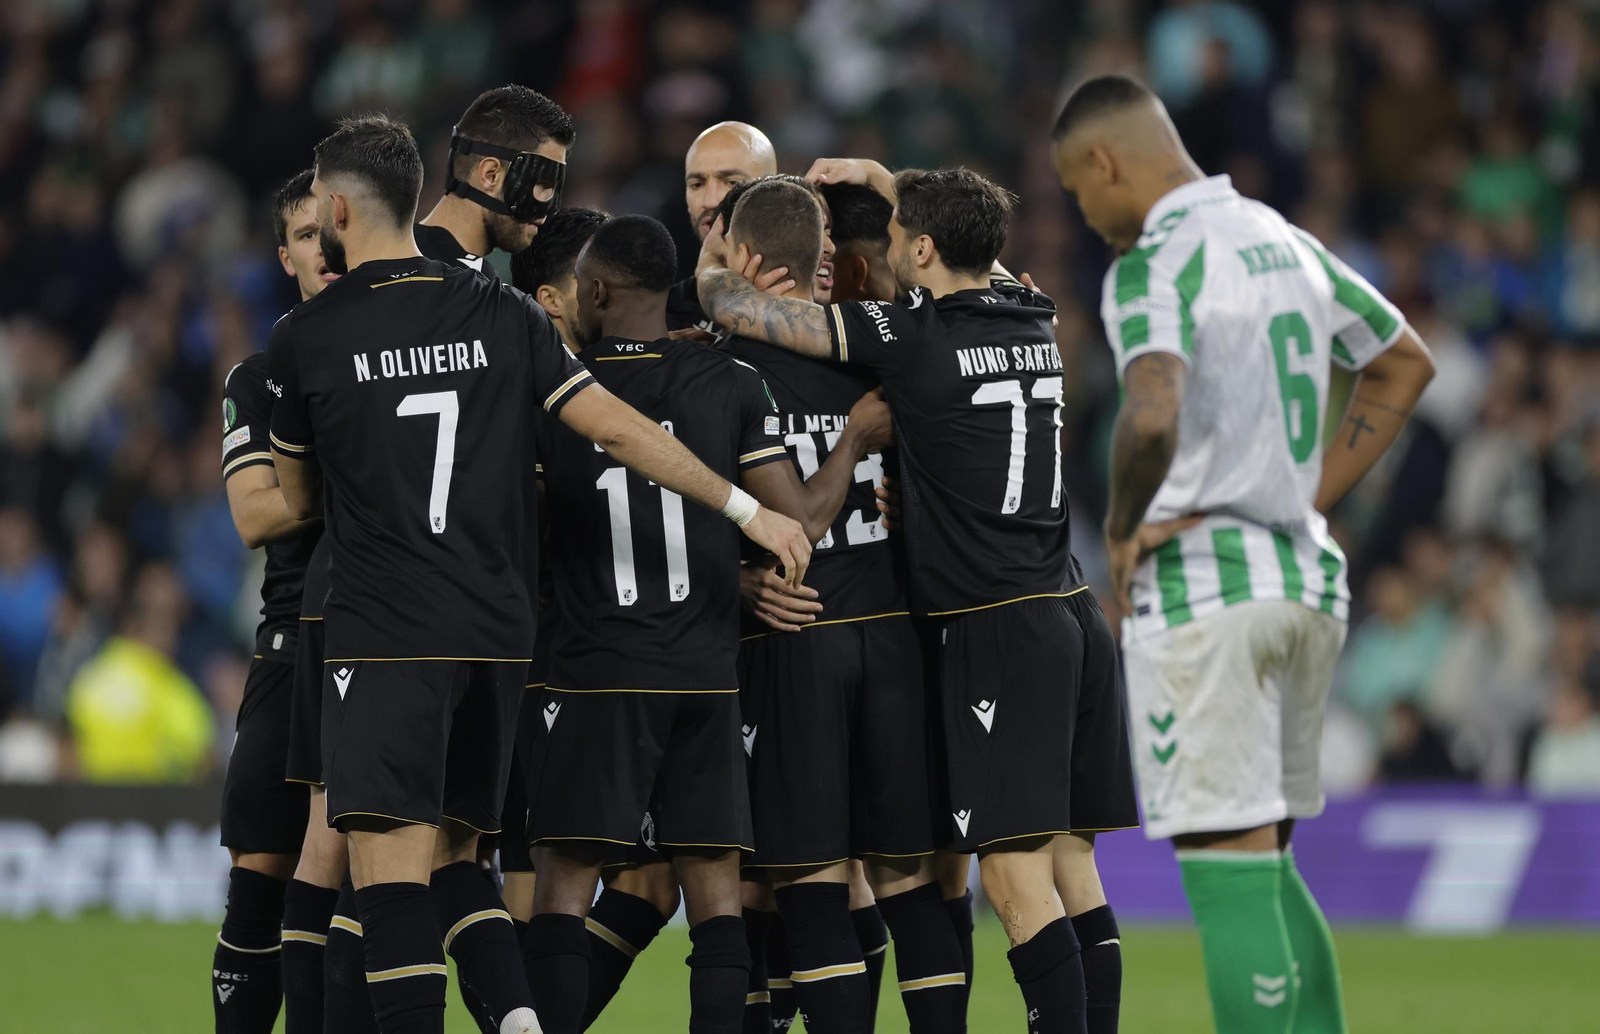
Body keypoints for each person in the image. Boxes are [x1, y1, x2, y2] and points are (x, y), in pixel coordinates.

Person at [268, 115, 807, 1034]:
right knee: (460, 861)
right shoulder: (505, 313)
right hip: (495, 640)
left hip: (385, 630)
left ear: (342, 210)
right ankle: (519, 1021)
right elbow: (615, 426)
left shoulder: (308, 335)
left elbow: (296, 495)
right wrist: (748, 511)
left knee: (390, 886)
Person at [697, 158, 1139, 1034]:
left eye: (900, 236)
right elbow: (976, 250)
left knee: (1013, 880)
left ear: (926, 248)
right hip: (1072, 605)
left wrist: (716, 266)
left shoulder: (908, 334)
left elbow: (751, 311)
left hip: (997, 625)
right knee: (1071, 868)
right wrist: (882, 177)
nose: (887, 252)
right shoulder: (1032, 311)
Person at [1051, 74, 1436, 1034]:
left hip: (1207, 597)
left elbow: (1152, 410)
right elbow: (1402, 361)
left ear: (1104, 161)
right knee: (1265, 864)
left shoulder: (1153, 264)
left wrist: (1122, 526)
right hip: (1304, 585)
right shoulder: (1282, 238)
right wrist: (1302, 495)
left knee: (1225, 872)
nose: (1086, 214)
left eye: (1077, 189)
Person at [522, 213, 886, 1034]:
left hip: (596, 671)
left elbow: (526, 531)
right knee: (717, 904)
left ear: (596, 291)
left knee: (563, 894)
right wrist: (854, 442)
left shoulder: (559, 392)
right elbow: (796, 521)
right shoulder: (730, 384)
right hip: (705, 675)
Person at [712, 176, 966, 1034]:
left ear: (743, 256)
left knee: (814, 888)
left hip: (797, 644)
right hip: (892, 641)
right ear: (826, 260)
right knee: (910, 885)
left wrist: (736, 579)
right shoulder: (883, 355)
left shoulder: (723, 369)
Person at [819, 175, 982, 1014]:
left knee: (825, 877)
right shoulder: (971, 328)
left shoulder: (887, 339)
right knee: (916, 876)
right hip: (927, 637)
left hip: (876, 637)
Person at [211, 167, 334, 1034]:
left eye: (332, 229)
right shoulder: (258, 377)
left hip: (395, 642)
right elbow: (255, 516)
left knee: (371, 894)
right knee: (259, 880)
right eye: (304, 235)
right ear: (285, 256)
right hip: (291, 647)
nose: (323, 248)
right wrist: (374, 477)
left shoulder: (393, 365)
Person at [415, 84, 573, 267]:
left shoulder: (391, 254)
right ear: (490, 175)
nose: (550, 208)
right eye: (542, 184)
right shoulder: (460, 283)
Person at [669, 122, 780, 336]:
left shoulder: (819, 292)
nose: (710, 201)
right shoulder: (665, 315)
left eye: (731, 182)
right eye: (697, 184)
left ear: (775, 189)